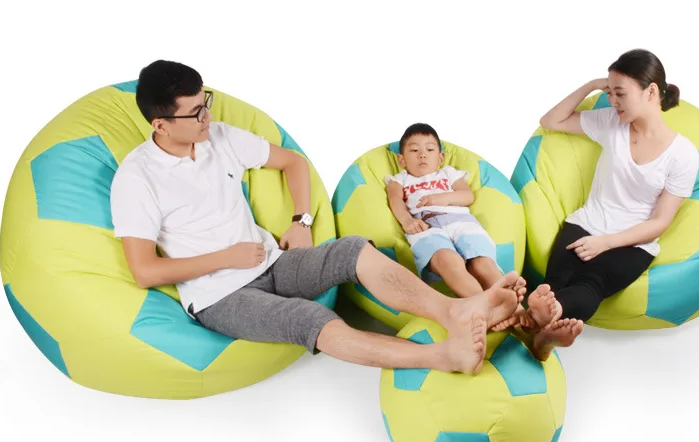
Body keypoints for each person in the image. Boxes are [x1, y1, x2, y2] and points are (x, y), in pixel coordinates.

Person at [109, 60, 527, 377]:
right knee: (308, 319)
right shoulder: (137, 178)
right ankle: (443, 356)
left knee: (351, 250)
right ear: (161, 124)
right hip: (218, 295)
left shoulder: (219, 138)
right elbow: (144, 271)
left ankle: (455, 312)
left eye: (207, 104)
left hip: (270, 260)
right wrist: (227, 258)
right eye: (196, 113)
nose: (209, 118)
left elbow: (293, 162)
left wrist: (302, 220)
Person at [498, 48, 699, 360]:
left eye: (620, 93)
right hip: (586, 222)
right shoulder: (611, 123)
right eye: (610, 92)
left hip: (633, 242)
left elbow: (660, 222)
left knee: (592, 284)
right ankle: (542, 336)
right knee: (553, 285)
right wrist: (591, 85)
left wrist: (605, 243)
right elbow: (550, 121)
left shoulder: (683, 155)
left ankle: (540, 322)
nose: (612, 101)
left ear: (650, 92)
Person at [385, 123, 569, 347]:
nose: (422, 154)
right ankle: (489, 310)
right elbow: (395, 201)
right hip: (426, 225)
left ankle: (521, 315)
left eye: (430, 149)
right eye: (414, 150)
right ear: (402, 160)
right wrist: (407, 221)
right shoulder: (399, 179)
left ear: (440, 157)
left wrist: (440, 198)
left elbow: (466, 196)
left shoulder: (448, 173)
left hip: (461, 221)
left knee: (481, 264)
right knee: (449, 262)